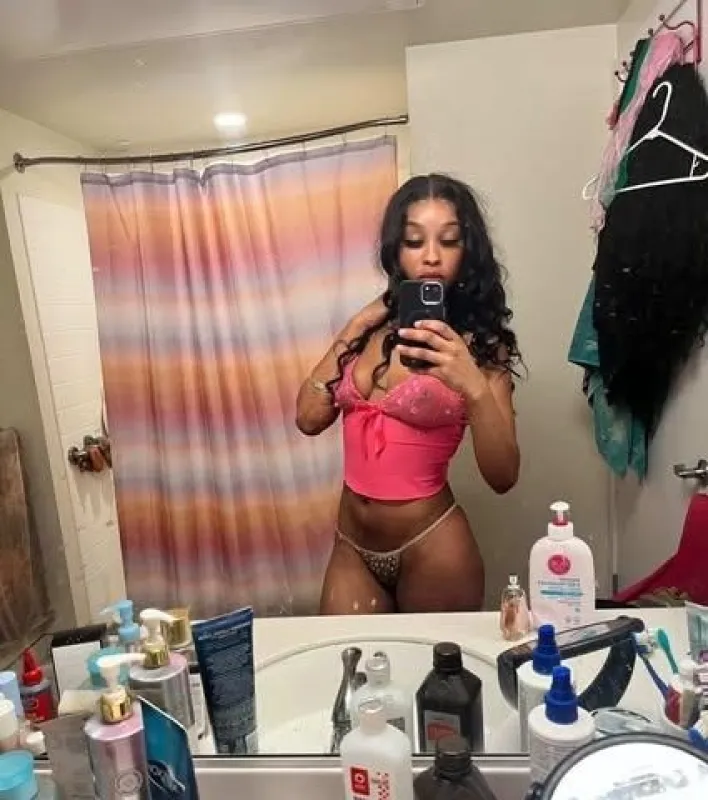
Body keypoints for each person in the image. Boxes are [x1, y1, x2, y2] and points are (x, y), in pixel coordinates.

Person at [296, 174, 521, 615]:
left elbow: (503, 476)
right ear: (396, 250)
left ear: (467, 251)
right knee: (343, 659)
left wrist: (472, 384)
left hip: (433, 547)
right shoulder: (368, 332)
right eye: (414, 241)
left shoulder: (479, 346)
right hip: (351, 546)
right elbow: (307, 419)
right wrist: (356, 325)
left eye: (449, 241)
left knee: (430, 663)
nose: (431, 256)